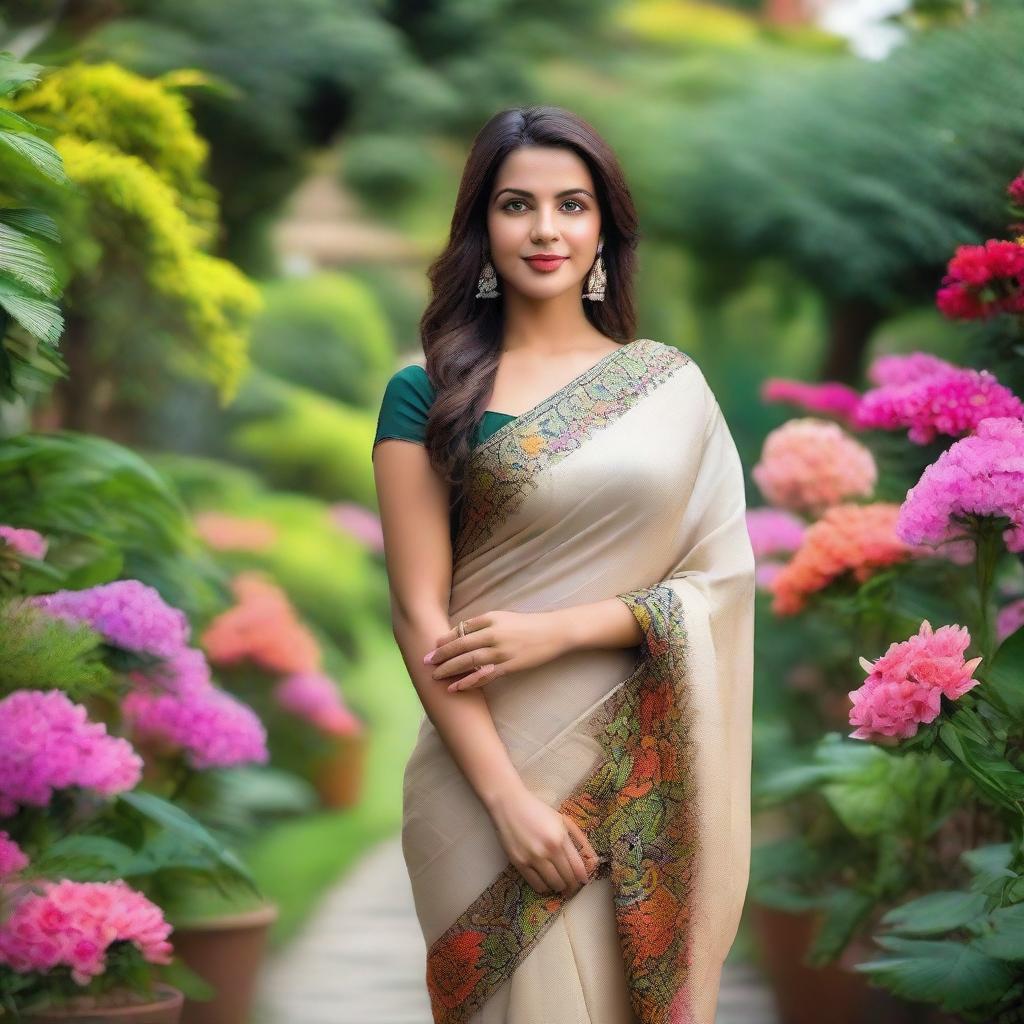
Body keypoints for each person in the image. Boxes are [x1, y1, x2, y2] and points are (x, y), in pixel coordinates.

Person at [371, 104, 756, 1024]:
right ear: (480, 227)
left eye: (572, 205)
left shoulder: (670, 389)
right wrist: (508, 804)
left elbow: (724, 581)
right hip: (480, 779)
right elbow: (419, 614)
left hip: (635, 772)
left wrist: (566, 628)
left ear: (605, 232)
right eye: (516, 205)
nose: (545, 230)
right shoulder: (424, 390)